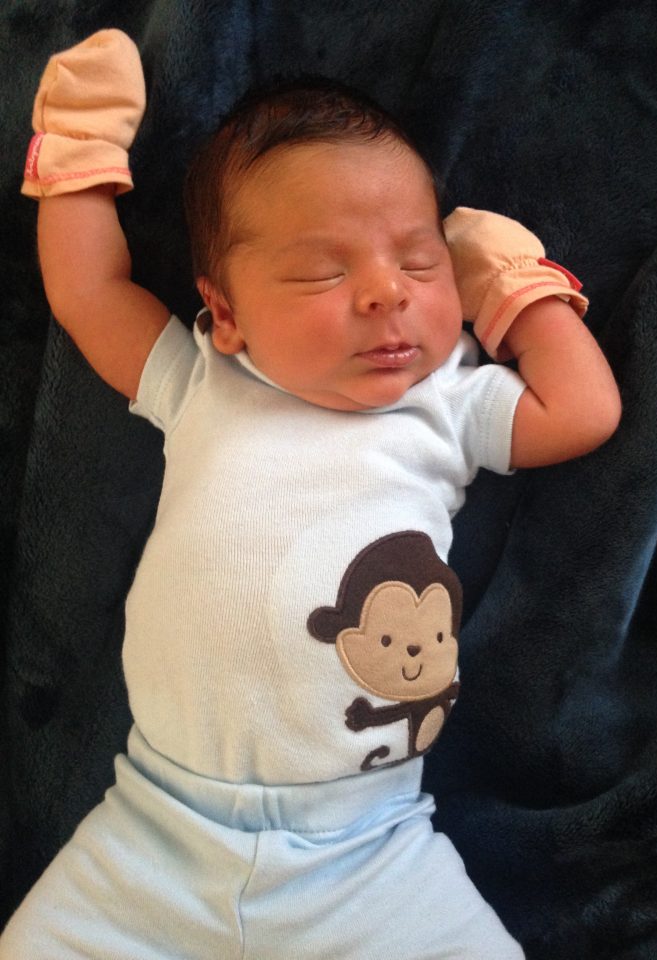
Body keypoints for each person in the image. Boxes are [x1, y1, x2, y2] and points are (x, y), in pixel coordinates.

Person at [1, 29, 621, 960]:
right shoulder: (203, 380)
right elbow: (90, 291)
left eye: (421, 262)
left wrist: (516, 293)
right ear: (228, 313)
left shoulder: (445, 403)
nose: (386, 294)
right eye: (325, 271)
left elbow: (583, 412)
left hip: (369, 847)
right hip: (155, 832)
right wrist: (80, 152)